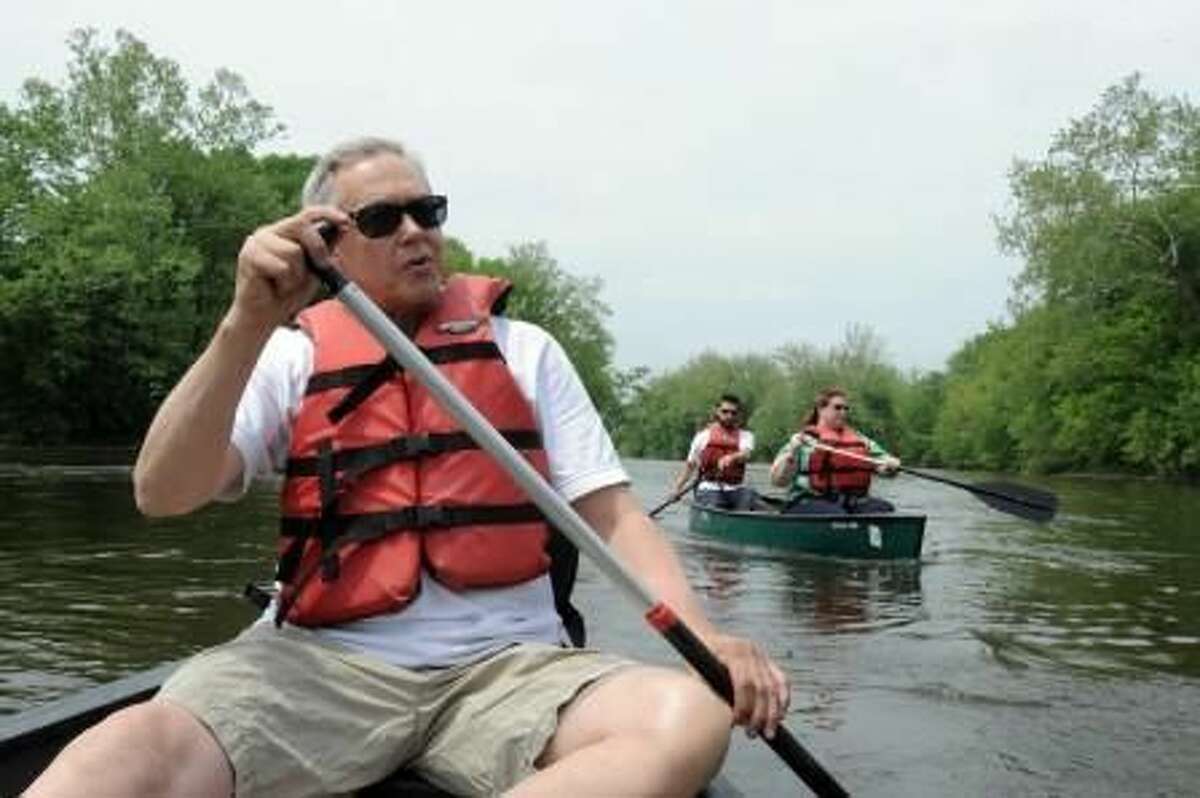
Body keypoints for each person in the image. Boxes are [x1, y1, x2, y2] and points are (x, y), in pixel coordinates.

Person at [27, 137, 790, 798]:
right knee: (125, 750)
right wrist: (244, 320)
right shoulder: (288, 354)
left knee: (688, 718)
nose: (416, 232)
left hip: (511, 671)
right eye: (384, 220)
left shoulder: (525, 350)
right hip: (317, 667)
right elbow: (161, 492)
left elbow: (617, 518)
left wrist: (707, 637)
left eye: (429, 211)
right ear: (326, 242)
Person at [769, 386, 900, 515]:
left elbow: (882, 465)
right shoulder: (804, 440)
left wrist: (890, 465)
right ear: (821, 409)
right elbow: (778, 481)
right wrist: (791, 453)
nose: (843, 412)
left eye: (846, 408)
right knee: (837, 515)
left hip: (851, 502)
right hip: (808, 500)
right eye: (837, 407)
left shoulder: (861, 440)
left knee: (884, 509)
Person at [670, 394, 759, 511]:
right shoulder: (702, 436)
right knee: (715, 504)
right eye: (725, 411)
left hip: (736, 488)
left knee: (750, 499)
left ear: (738, 415)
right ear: (717, 411)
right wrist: (677, 489)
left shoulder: (746, 436)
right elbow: (690, 466)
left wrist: (732, 457)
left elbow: (746, 454)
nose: (729, 416)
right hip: (709, 487)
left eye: (734, 413)